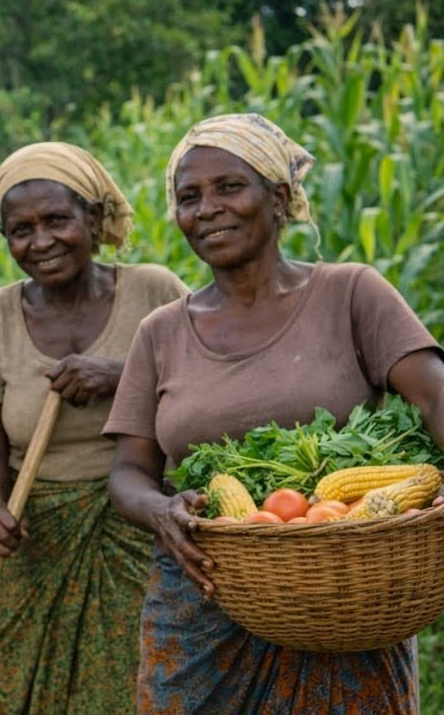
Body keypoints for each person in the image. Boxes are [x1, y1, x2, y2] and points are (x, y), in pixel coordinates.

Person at [104, 112, 444, 713]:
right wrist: (160, 510)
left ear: (279, 197)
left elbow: (436, 396)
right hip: (204, 592)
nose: (208, 208)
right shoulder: (161, 332)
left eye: (229, 187)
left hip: (346, 586)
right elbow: (129, 471)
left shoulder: (351, 293)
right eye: (189, 197)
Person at [0, 142, 188, 713]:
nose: (41, 242)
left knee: (136, 685)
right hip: (35, 531)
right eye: (21, 230)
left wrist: (120, 375)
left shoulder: (154, 291)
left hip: (140, 521)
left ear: (93, 217)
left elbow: (203, 383)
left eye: (57, 220)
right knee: (18, 687)